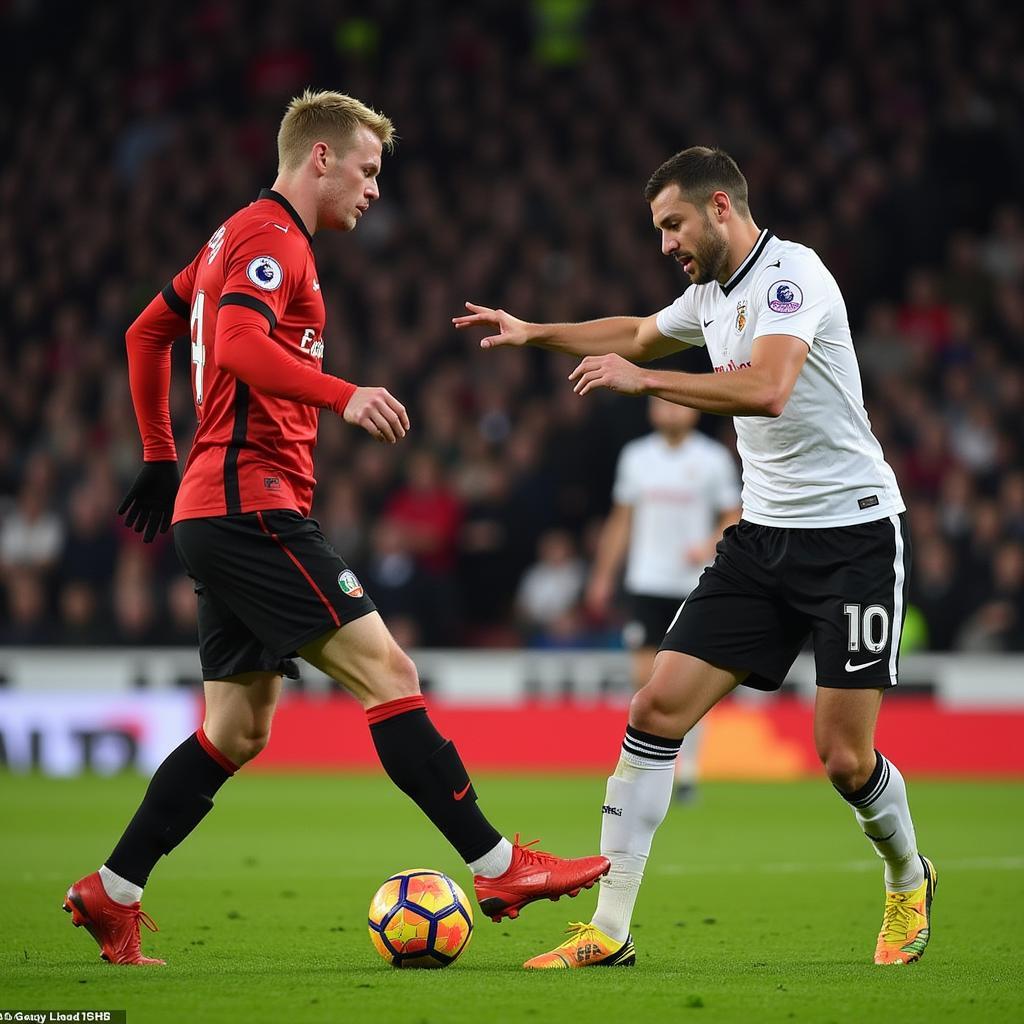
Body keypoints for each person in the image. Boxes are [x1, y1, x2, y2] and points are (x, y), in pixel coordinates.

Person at [63, 89, 608, 967]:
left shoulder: (225, 239)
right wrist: (343, 393)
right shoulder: (273, 238)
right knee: (388, 671)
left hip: (214, 505)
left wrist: (164, 454)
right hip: (252, 504)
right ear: (320, 156)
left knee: (238, 730)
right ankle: (501, 866)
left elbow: (145, 330)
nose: (375, 189)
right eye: (367, 168)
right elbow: (236, 344)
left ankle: (112, 890)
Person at [455, 146, 935, 969]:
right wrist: (536, 332)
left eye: (672, 224)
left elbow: (767, 388)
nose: (665, 243)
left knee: (845, 759)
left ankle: (906, 876)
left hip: (852, 537)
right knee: (654, 712)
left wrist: (647, 384)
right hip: (762, 539)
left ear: (720, 207)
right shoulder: (710, 296)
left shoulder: (793, 276)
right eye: (658, 229)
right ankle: (608, 931)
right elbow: (638, 332)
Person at [587, 397, 740, 800]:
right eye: (663, 405)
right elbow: (622, 519)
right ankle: (653, 767)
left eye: (677, 405)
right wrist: (603, 575)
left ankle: (688, 772)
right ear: (653, 411)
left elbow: (734, 515)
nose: (671, 412)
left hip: (694, 582)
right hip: (646, 581)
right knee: (645, 682)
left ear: (693, 409)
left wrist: (708, 543)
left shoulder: (712, 459)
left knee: (689, 682)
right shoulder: (637, 457)